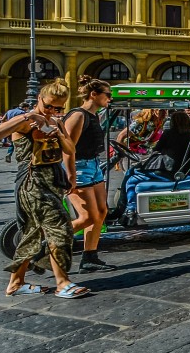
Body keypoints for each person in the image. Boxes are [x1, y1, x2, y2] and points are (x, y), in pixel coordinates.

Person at [0, 79, 90, 299]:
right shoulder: (26, 122)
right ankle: (62, 283)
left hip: (52, 181)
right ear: (39, 99)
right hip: (32, 182)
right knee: (60, 229)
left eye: (59, 108)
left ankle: (16, 283)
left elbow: (70, 149)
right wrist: (28, 116)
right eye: (49, 106)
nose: (53, 111)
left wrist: (58, 132)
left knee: (31, 234)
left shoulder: (56, 121)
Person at [63, 76, 116, 273]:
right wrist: (71, 175)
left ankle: (90, 257)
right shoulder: (78, 115)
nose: (109, 98)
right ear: (93, 95)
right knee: (87, 217)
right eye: (107, 95)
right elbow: (68, 149)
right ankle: (50, 240)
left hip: (93, 166)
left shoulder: (94, 115)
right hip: (80, 167)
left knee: (101, 212)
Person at [122, 111, 190, 226]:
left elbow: (156, 149)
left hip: (167, 171)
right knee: (132, 174)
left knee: (131, 178)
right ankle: (129, 208)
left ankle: (129, 209)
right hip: (181, 170)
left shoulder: (169, 133)